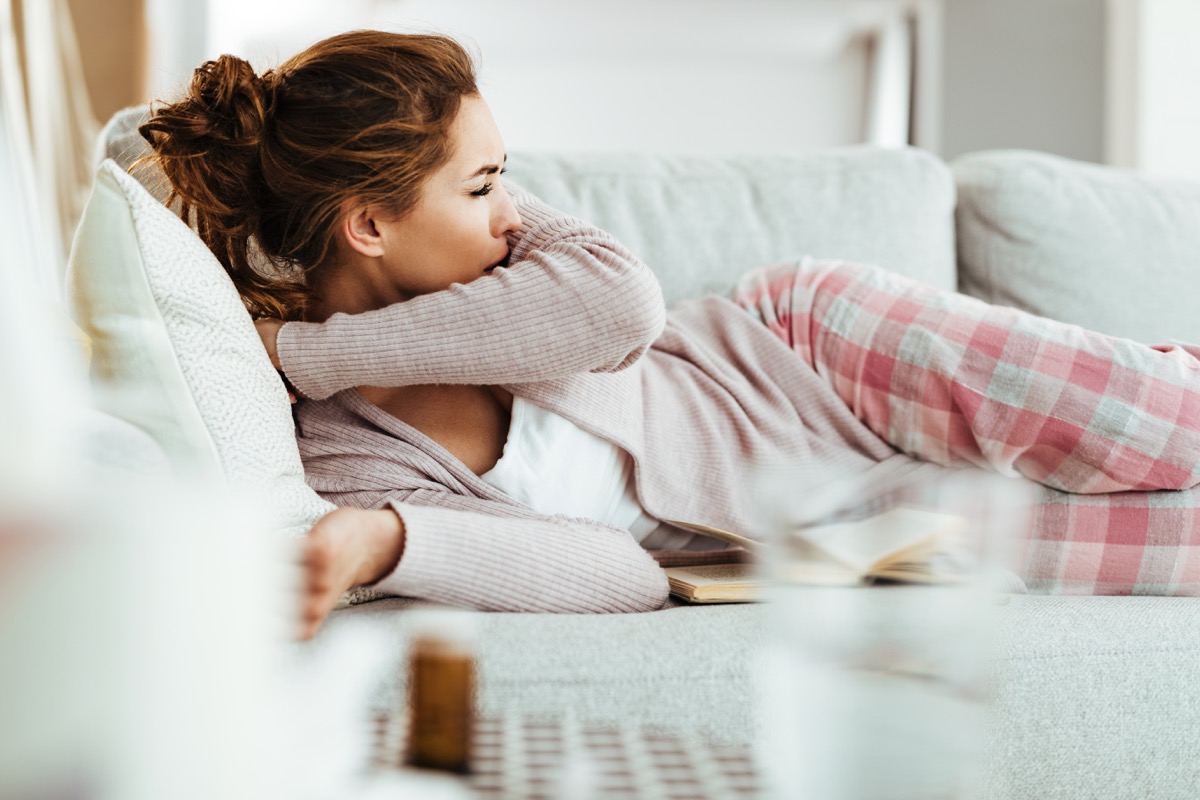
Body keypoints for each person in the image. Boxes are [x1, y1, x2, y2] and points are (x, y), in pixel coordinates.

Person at [140, 30, 1200, 638]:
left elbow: (625, 311)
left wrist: (316, 354)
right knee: (1172, 550)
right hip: (823, 523)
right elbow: (625, 573)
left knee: (1164, 417)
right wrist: (391, 538)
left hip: (811, 355)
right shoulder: (346, 457)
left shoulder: (517, 255)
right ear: (369, 226)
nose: (512, 208)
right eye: (483, 184)